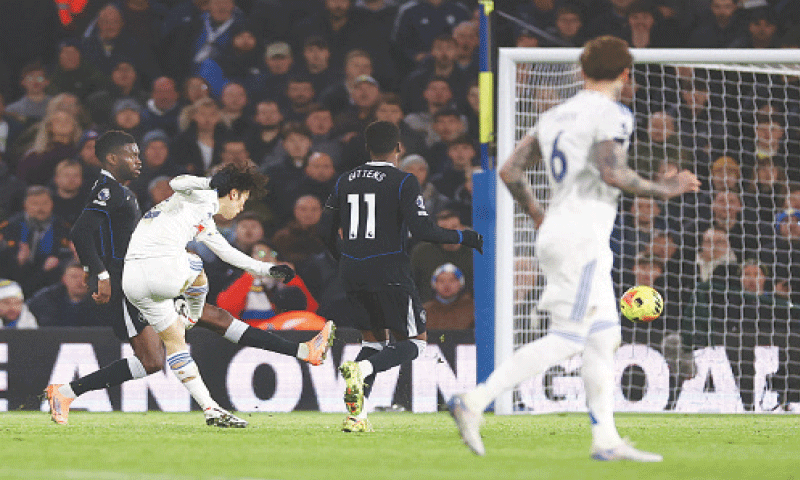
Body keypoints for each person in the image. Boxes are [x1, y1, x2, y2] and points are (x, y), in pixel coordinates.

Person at [448, 36, 700, 460]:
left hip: (564, 230)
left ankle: (606, 440)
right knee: (569, 336)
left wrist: (536, 214)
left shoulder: (554, 115)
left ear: (582, 72)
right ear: (625, 74)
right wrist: (666, 189)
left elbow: (510, 170)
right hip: (582, 236)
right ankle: (474, 400)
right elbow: (612, 172)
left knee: (605, 337)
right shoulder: (613, 114)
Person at [45, 133, 334, 426]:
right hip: (133, 279)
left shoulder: (196, 215)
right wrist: (99, 273)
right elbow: (176, 184)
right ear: (233, 193)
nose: (241, 209)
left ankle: (297, 354)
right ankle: (189, 316)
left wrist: (267, 270)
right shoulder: (182, 195)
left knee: (208, 324)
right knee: (189, 277)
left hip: (154, 275)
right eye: (243, 200)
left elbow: (229, 253)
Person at [321, 120, 482, 433]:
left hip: (352, 271)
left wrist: (342, 258)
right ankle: (361, 369)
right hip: (389, 271)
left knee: (375, 343)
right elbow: (422, 229)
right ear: (398, 148)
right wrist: (464, 237)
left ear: (368, 148)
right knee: (415, 344)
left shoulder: (345, 180)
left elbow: (325, 230)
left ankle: (357, 416)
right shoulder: (403, 181)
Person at [27, 260, 101, 327]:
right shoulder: (46, 298)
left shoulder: (102, 301)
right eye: (74, 277)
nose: (80, 282)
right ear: (64, 279)